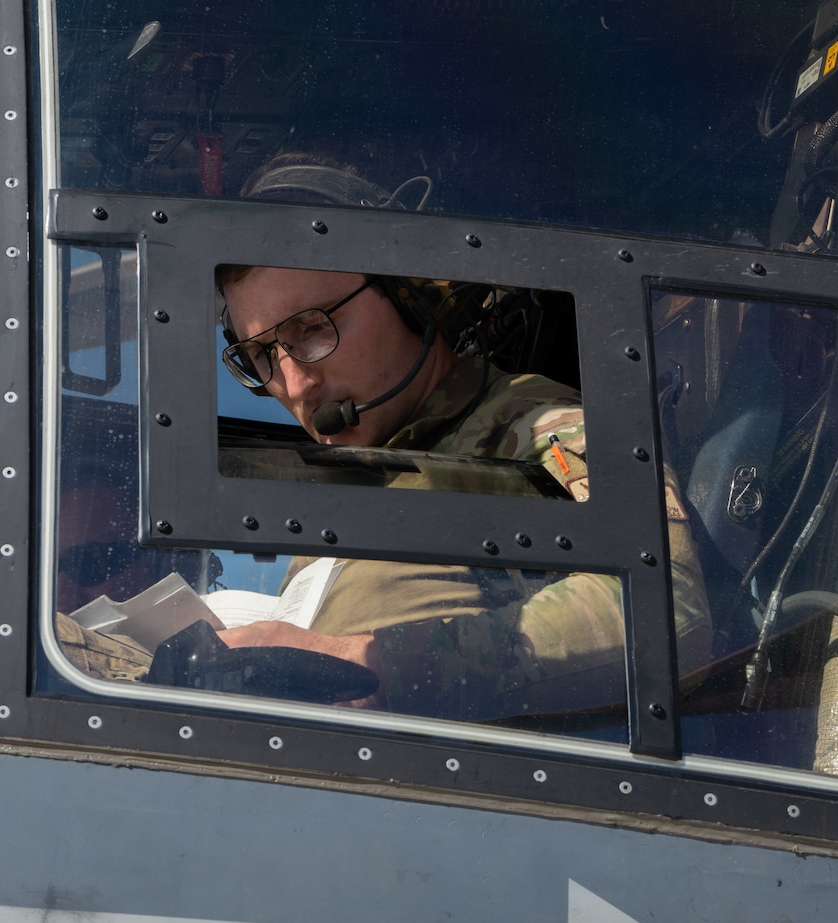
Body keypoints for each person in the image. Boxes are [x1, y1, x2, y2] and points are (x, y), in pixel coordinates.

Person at [209, 260, 712, 721]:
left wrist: (371, 666)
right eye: (260, 356)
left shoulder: (535, 424)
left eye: (315, 329)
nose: (296, 385)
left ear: (410, 300)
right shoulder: (349, 488)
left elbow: (669, 614)